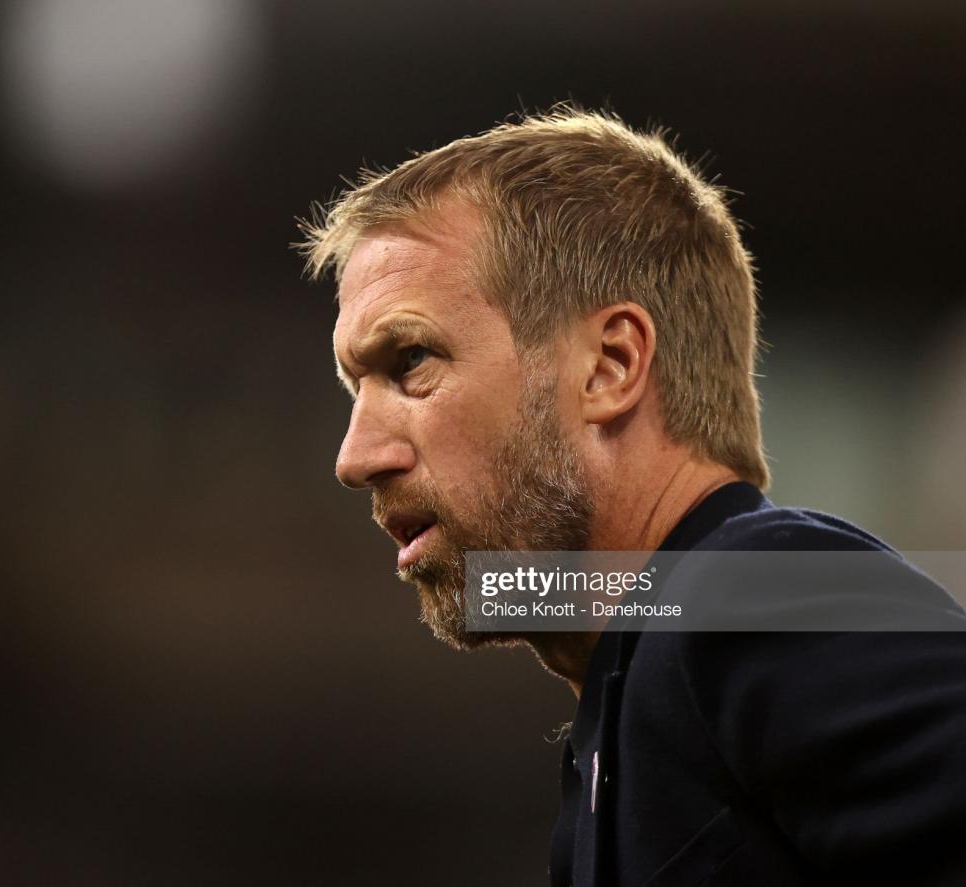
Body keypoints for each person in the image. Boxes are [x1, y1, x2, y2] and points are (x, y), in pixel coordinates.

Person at [300, 108, 966, 886]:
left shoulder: (745, 594)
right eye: (354, 388)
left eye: (409, 360)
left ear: (610, 366)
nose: (355, 457)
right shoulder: (631, 703)